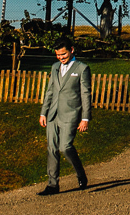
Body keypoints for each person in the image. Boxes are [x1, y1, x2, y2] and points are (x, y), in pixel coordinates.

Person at [38, 38, 92, 196]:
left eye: (64, 54)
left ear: (72, 50)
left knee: (65, 147)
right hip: (52, 114)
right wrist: (43, 113)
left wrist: (85, 118)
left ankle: (80, 173)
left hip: (71, 114)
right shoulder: (54, 67)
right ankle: (52, 185)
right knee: (52, 149)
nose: (61, 58)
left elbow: (85, 94)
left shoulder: (82, 68)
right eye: (58, 55)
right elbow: (50, 91)